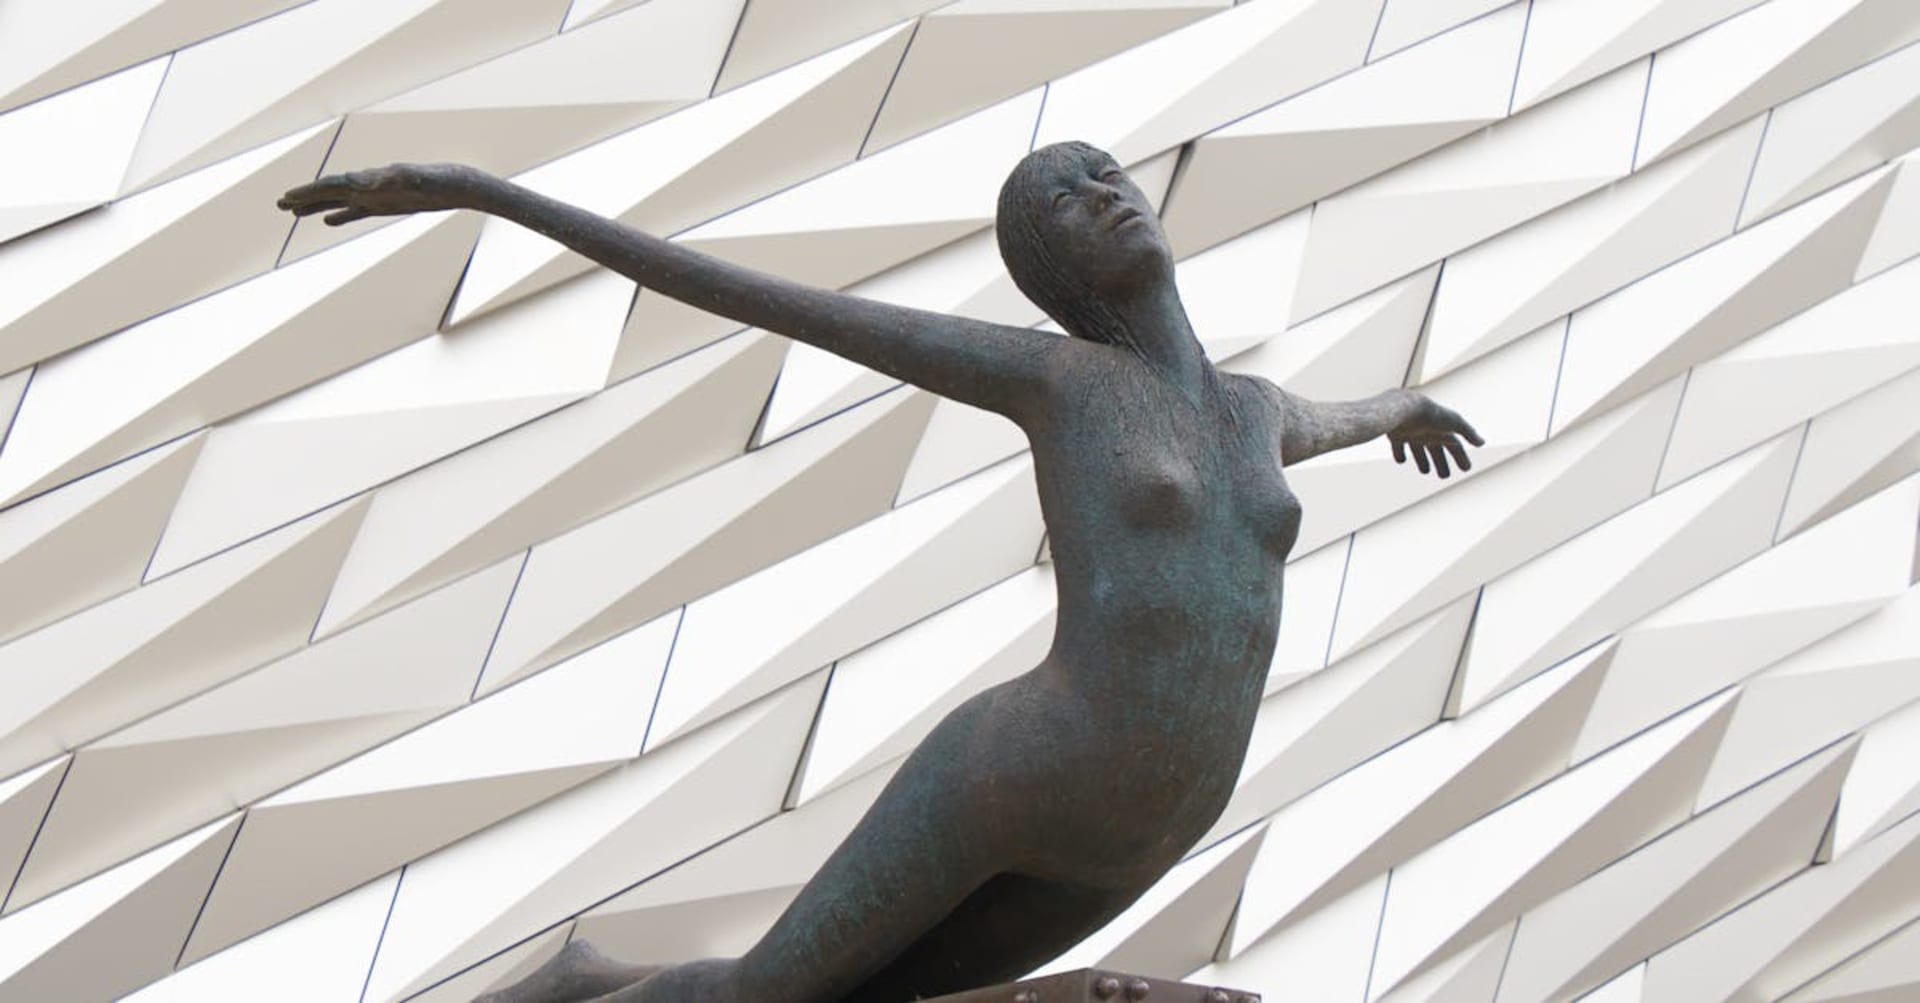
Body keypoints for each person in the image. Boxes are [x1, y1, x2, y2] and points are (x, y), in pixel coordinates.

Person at [279, 141, 1481, 1003]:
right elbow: (752, 295)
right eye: (1067, 203)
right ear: (1050, 274)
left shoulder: (1256, 409)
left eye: (1106, 177)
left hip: (1155, 820)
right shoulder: (1058, 380)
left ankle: (609, 978)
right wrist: (477, 190)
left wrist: (1403, 406)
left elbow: (1350, 413)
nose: (1105, 199)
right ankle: (576, 987)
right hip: (1023, 774)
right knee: (767, 997)